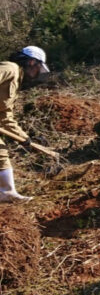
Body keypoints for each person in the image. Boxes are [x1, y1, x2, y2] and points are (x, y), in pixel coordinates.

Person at [0, 46, 50, 204]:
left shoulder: (16, 81)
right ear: (31, 62)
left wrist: (25, 138)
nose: (37, 74)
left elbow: (5, 116)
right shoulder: (10, 68)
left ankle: (6, 192)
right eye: (38, 69)